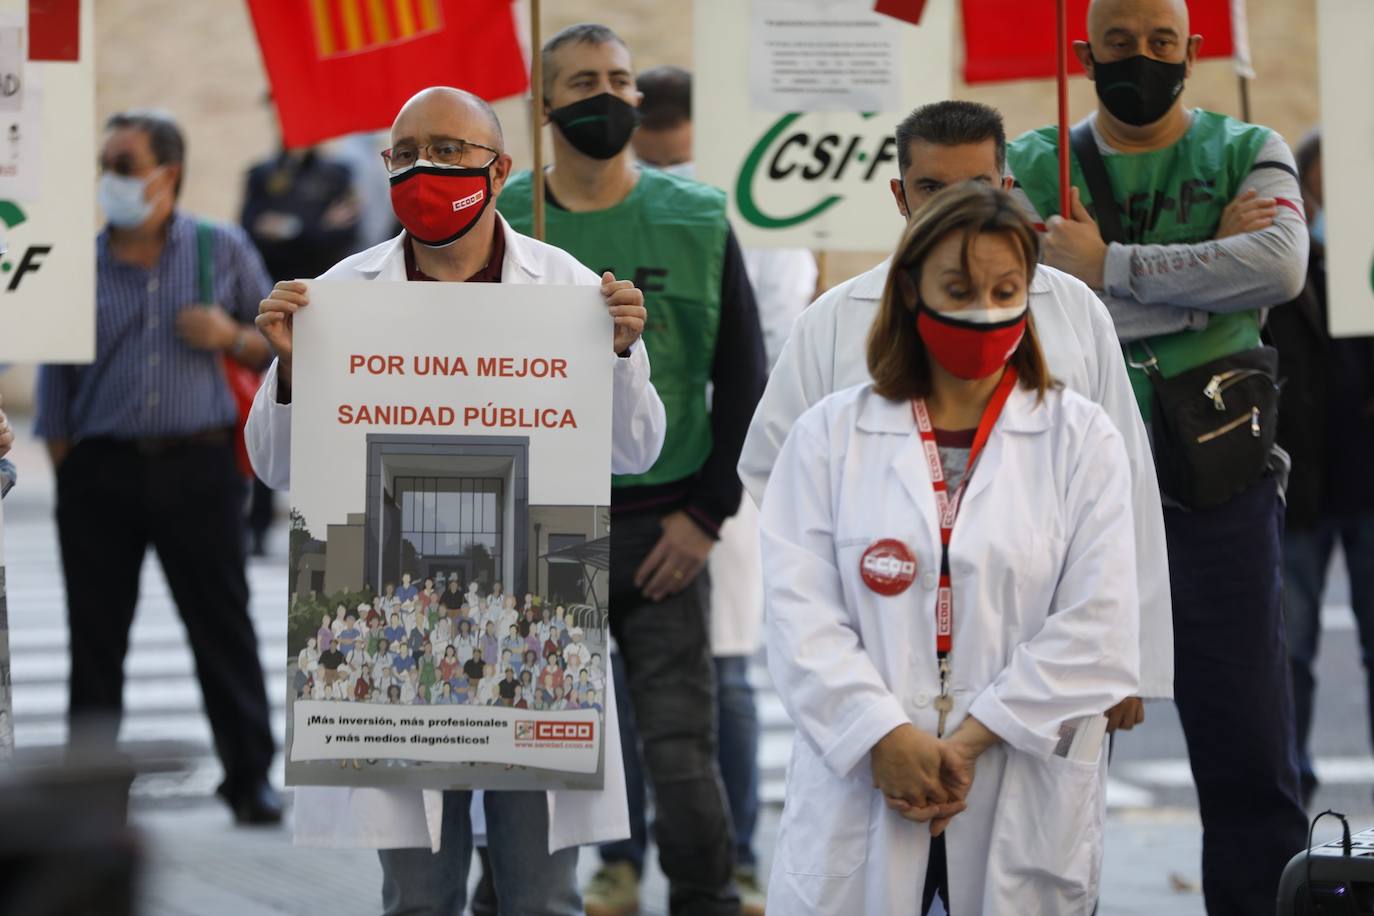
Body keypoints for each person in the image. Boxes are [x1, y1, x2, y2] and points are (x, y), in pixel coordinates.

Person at [246, 86, 666, 915]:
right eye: (404, 154)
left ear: (502, 170)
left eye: (446, 150)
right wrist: (295, 370)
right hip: (392, 655)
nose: (423, 170)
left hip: (536, 645)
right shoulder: (338, 297)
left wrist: (618, 354)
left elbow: (636, 449)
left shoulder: (571, 293)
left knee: (539, 895)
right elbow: (271, 465)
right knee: (418, 899)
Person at [1005, 1, 1309, 908]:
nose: (1142, 58)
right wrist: (1208, 278)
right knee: (1054, 751)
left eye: (1163, 44)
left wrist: (1107, 268)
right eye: (1120, 43)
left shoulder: (1250, 147)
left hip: (1220, 489)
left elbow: (1283, 267)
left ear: (1194, 52)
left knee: (1250, 751)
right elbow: (1022, 299)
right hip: (1069, 497)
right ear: (1083, 52)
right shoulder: (1028, 163)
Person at [763, 183, 1138, 914]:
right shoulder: (829, 436)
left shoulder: (1080, 438)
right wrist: (884, 737)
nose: (984, 312)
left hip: (1013, 777)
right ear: (910, 290)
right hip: (867, 783)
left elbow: (1100, 622)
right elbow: (796, 613)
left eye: (1006, 290)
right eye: (958, 288)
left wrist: (968, 741)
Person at [740, 99, 1170, 714]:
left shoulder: (1073, 311)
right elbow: (775, 477)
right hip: (884, 636)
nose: (952, 207)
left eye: (973, 187)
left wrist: (1128, 658)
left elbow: (1127, 488)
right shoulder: (835, 321)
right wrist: (869, 563)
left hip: (1042, 636)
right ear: (899, 195)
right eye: (930, 187)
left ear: (1008, 189)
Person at [498, 24, 766, 915]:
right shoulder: (498, 228)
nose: (604, 96)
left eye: (618, 79)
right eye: (581, 82)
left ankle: (706, 897)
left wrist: (706, 517)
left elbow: (743, 376)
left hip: (663, 526)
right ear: (545, 105)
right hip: (534, 532)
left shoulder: (697, 218)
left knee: (680, 745)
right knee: (525, 747)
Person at [604, 64, 818, 913]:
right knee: (706, 680)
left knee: (694, 683)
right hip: (708, 470)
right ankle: (726, 861)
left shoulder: (715, 212)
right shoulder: (723, 208)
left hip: (711, 473)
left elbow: (758, 351)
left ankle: (659, 861)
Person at [34, 109, 281, 825]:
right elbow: (57, 377)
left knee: (221, 625)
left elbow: (273, 345)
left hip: (197, 466)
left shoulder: (219, 247)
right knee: (95, 635)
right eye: (105, 164)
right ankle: (90, 794)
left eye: (123, 164)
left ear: (167, 173)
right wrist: (70, 465)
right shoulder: (78, 261)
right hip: (100, 472)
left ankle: (248, 778)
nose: (108, 179)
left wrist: (229, 334)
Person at [1268, 129, 1374, 808]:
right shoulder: (1281, 262)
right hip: (1297, 487)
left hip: (1369, 488)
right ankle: (1292, 788)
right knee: (1290, 654)